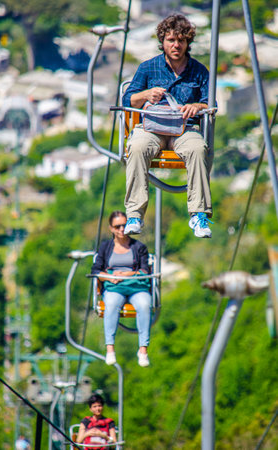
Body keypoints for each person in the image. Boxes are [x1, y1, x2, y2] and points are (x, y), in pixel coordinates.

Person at [122, 14, 214, 238]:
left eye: (181, 40)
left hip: (184, 128)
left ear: (187, 43)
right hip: (153, 127)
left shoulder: (200, 71)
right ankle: (135, 213)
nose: (176, 45)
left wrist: (196, 106)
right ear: (162, 41)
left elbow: (211, 104)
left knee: (197, 149)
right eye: (171, 40)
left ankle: (198, 215)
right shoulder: (148, 68)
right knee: (136, 147)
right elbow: (128, 101)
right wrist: (146, 94)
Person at [91, 210, 152, 367]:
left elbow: (145, 270)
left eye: (125, 226)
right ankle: (110, 348)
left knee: (145, 305)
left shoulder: (139, 247)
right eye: (117, 226)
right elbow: (96, 270)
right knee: (111, 305)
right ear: (111, 228)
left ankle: (143, 349)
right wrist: (110, 277)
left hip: (135, 286)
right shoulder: (105, 247)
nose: (121, 229)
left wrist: (127, 273)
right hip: (114, 286)